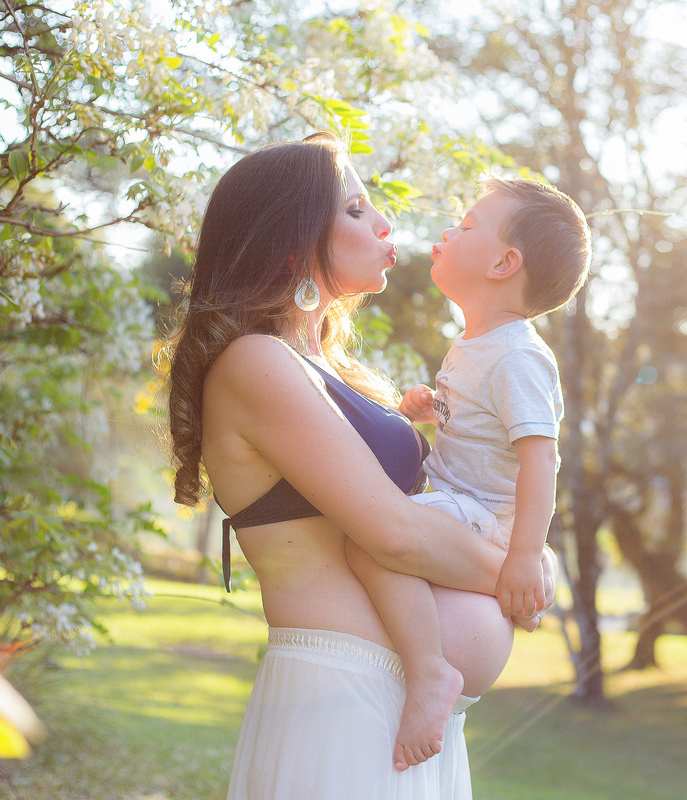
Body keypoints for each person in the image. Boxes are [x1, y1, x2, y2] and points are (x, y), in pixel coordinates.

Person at [165, 132, 553, 799]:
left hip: (401, 705)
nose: (383, 224)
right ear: (290, 239)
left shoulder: (333, 370)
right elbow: (393, 533)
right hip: (340, 693)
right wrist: (519, 577)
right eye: (352, 210)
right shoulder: (257, 363)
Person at [344, 177, 591, 771]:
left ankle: (430, 670)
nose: (450, 231)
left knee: (370, 538)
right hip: (467, 504)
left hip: (482, 516)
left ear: (505, 263)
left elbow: (540, 458)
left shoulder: (518, 355)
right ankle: (483, 614)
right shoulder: (479, 344)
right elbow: (487, 441)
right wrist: (433, 419)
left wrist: (526, 553)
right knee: (379, 533)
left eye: (469, 225)